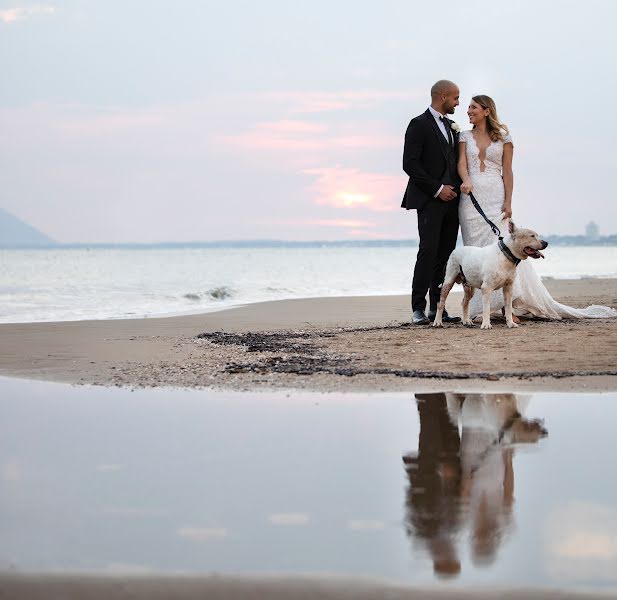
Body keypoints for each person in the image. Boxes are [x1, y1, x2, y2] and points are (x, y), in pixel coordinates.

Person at [458, 95, 617, 320]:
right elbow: (461, 164)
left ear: (486, 110)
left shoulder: (504, 137)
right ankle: (484, 309)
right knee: (476, 250)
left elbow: (508, 171)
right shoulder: (464, 136)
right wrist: (466, 180)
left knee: (505, 249)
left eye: (473, 107)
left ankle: (508, 309)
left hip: (496, 198)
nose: (468, 110)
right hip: (471, 202)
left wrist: (508, 202)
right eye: (468, 107)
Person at [402, 80, 463, 325]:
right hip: (430, 199)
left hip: (454, 201)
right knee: (427, 252)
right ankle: (418, 308)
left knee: (446, 256)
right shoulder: (418, 124)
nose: (458, 102)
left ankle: (438, 308)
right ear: (443, 96)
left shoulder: (452, 126)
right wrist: (438, 189)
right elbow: (410, 164)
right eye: (456, 97)